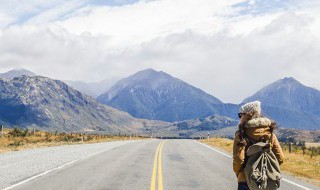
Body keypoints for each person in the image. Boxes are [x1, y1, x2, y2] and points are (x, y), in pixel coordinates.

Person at [233, 101, 285, 190]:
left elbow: (239, 160)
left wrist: (240, 173)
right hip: (267, 181)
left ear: (245, 115)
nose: (239, 117)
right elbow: (280, 158)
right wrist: (267, 169)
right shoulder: (270, 133)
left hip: (246, 180)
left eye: (240, 115)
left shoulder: (241, 134)